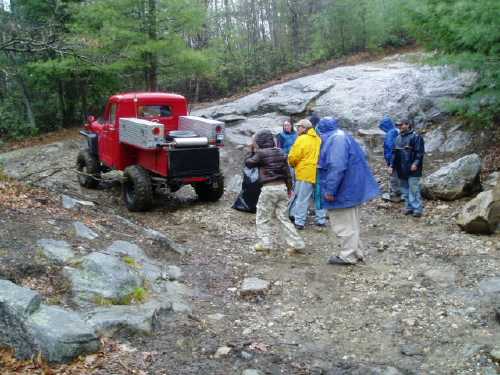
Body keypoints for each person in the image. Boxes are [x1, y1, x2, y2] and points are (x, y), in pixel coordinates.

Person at [316, 117, 380, 265]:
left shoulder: (335, 140)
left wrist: (330, 190)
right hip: (352, 188)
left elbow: (336, 167)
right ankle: (357, 253)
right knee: (352, 223)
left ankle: (348, 256)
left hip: (343, 190)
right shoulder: (343, 136)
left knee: (343, 224)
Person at [245, 130, 305, 254]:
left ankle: (265, 243)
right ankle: (297, 243)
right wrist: (289, 189)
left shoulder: (261, 153)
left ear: (260, 141)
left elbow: (249, 164)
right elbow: (287, 173)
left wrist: (252, 150)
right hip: (282, 187)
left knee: (262, 217)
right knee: (283, 217)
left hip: (269, 188)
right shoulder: (281, 152)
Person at [288, 119, 327, 230]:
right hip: (318, 172)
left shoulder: (301, 139)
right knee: (318, 197)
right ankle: (321, 220)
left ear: (304, 128)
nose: (297, 129)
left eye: (298, 127)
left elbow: (293, 156)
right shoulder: (318, 139)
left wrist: (292, 164)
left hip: (305, 173)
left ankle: (299, 222)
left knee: (302, 198)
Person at [389, 119, 425, 217]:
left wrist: (416, 163)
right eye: (398, 125)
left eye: (401, 125)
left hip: (413, 168)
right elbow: (394, 153)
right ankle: (409, 207)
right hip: (401, 168)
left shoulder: (416, 137)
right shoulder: (397, 138)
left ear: (408, 125)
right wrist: (391, 166)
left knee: (414, 189)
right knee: (404, 189)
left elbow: (420, 153)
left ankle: (417, 209)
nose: (399, 127)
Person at [378, 116, 402, 202]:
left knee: (393, 175)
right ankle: (399, 191)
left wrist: (391, 163)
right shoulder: (396, 131)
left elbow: (391, 148)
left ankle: (395, 194)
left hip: (393, 158)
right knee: (398, 175)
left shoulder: (390, 133)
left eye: (382, 127)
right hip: (399, 158)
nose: (382, 130)